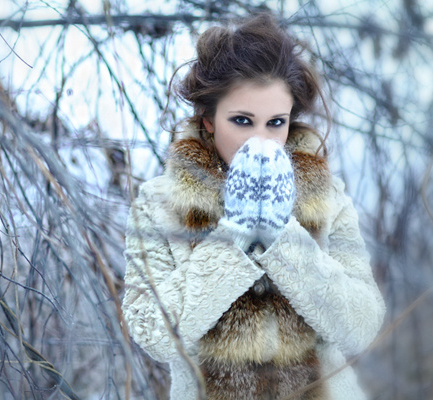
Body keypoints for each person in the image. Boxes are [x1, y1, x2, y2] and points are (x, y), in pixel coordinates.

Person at [121, 12, 385, 400]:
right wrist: (237, 233)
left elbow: (361, 326)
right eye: (243, 121)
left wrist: (282, 236)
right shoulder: (159, 203)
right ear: (209, 120)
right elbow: (153, 333)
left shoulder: (326, 197)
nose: (260, 139)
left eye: (275, 122)